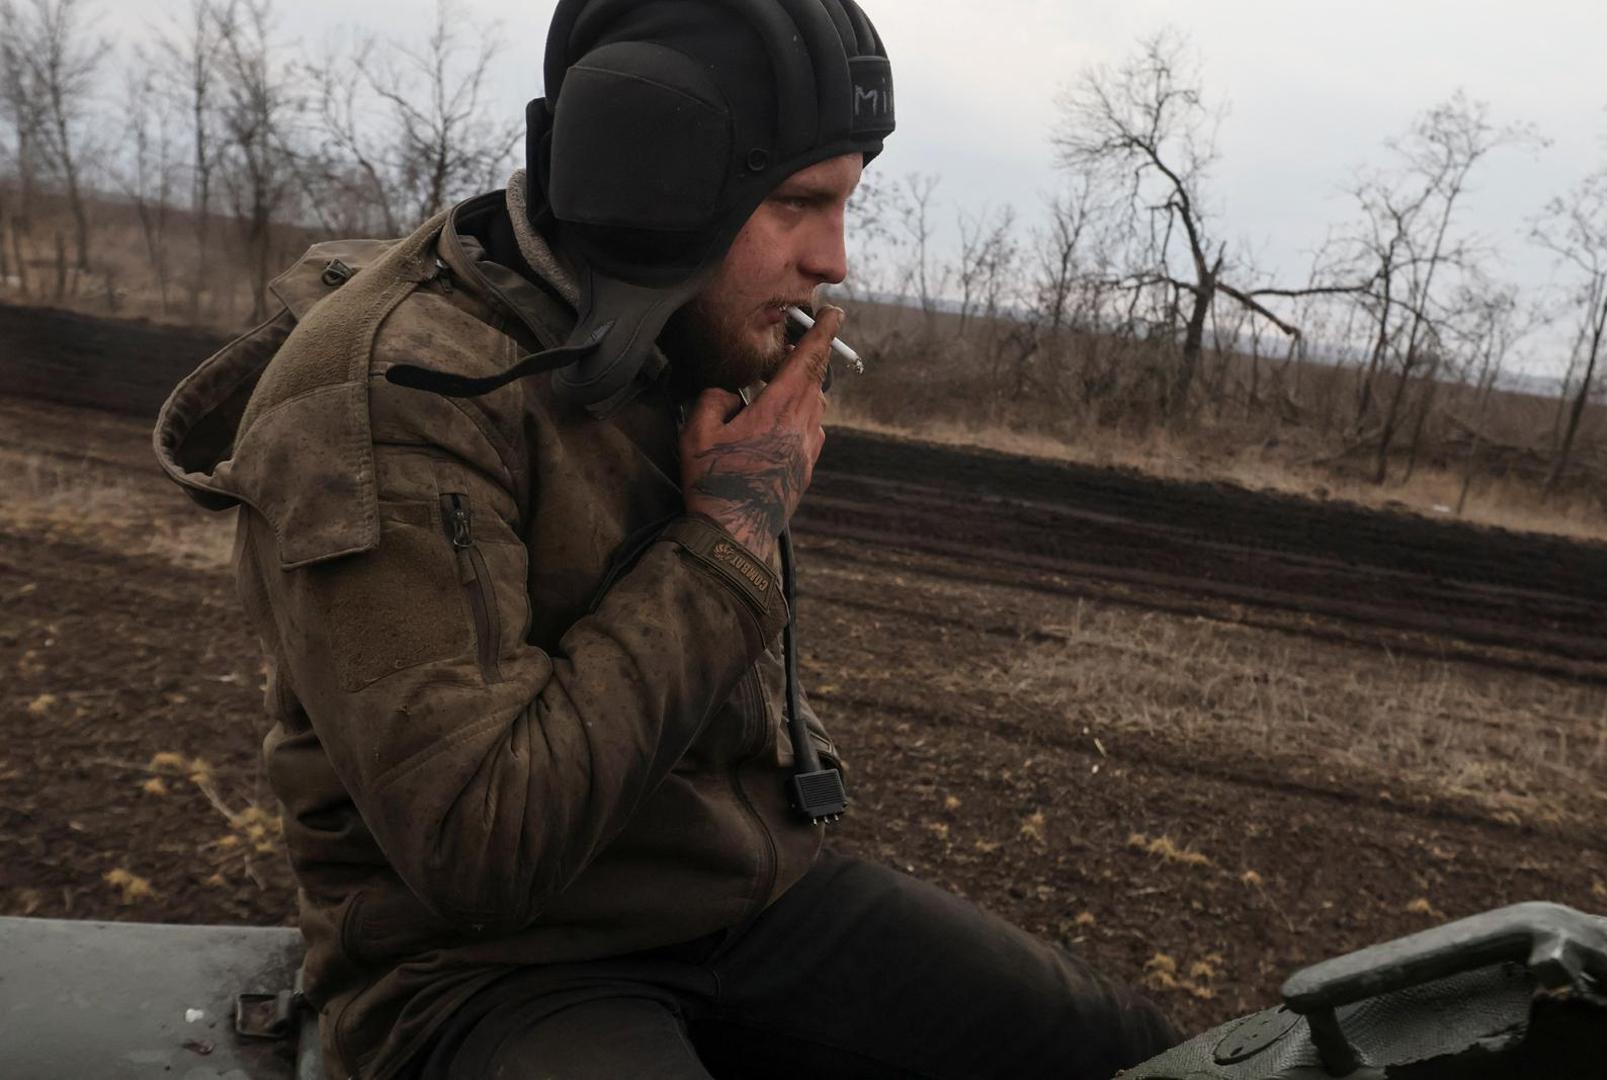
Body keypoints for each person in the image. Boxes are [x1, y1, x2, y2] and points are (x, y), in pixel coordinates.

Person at [154, 1, 1180, 1076]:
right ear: (656, 188)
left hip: (734, 896)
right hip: (483, 965)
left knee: (1128, 1054)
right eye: (797, 203)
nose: (834, 259)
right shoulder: (390, 396)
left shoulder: (657, 327)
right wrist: (730, 537)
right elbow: (477, 841)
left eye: (844, 203)